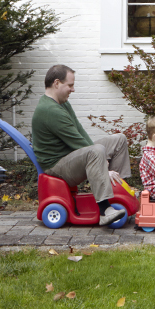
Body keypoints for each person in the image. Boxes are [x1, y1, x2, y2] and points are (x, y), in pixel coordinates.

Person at [31, 64, 131, 226]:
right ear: (57, 83)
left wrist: (101, 159)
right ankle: (105, 210)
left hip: (69, 155)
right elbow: (77, 143)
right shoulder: (50, 110)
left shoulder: (62, 104)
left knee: (118, 139)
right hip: (56, 166)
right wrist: (105, 167)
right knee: (96, 150)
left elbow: (79, 132)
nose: (73, 89)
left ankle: (120, 189)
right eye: (70, 85)